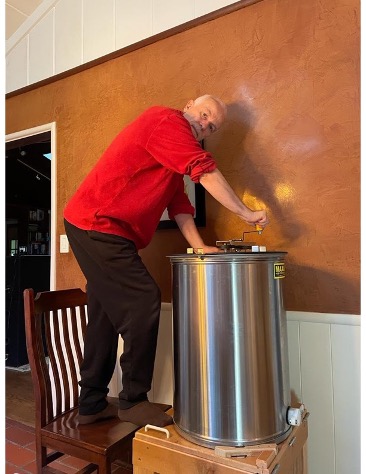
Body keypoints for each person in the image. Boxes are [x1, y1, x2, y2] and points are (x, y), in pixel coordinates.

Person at [63, 94, 269, 427]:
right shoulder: (166, 121)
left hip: (101, 228)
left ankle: (90, 404)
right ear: (188, 105)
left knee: (104, 312)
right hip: (95, 223)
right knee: (143, 299)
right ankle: (132, 401)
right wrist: (246, 213)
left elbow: (180, 207)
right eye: (204, 115)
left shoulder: (171, 157)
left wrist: (200, 247)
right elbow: (203, 169)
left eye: (211, 126)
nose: (204, 125)